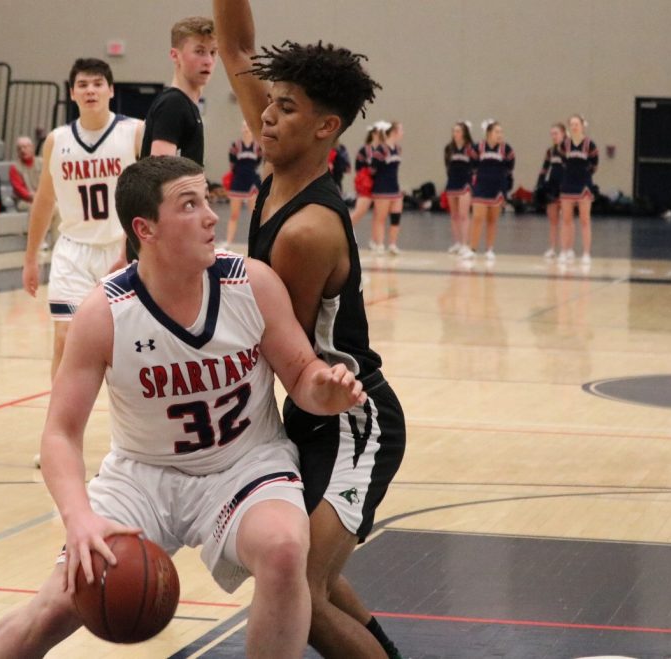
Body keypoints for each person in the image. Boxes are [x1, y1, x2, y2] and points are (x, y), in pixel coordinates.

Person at [0, 156, 368, 659]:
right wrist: (79, 520)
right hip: (141, 476)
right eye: (189, 204)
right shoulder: (106, 312)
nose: (210, 216)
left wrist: (325, 391)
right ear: (146, 228)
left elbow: (301, 374)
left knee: (285, 549)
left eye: (207, 200)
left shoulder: (251, 284)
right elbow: (60, 434)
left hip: (244, 465)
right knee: (56, 603)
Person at [215, 2, 407, 657]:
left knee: (296, 583)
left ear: (326, 127)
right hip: (311, 413)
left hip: (352, 414)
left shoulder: (307, 230)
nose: (267, 114)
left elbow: (282, 349)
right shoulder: (283, 157)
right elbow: (237, 48)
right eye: (269, 103)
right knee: (311, 579)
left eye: (286, 107)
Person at [22, 57, 143, 396]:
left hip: (121, 249)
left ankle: (131, 436)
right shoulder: (56, 140)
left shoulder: (133, 132)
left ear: (110, 90)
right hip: (73, 249)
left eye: (97, 83)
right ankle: (59, 432)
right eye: (83, 85)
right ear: (72, 93)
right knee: (64, 340)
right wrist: (31, 258)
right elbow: (45, 201)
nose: (90, 90)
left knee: (129, 347)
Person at [141, 16, 216, 163]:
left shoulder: (186, 105)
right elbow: (161, 173)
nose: (208, 61)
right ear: (175, 56)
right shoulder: (173, 103)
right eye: (199, 51)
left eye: (213, 52)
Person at [465, 120, 514, 263]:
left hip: (497, 188)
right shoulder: (477, 148)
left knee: (492, 220)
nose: (500, 135)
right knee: (477, 218)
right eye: (497, 132)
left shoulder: (507, 150)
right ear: (488, 133)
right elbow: (471, 166)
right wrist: (473, 183)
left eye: (501, 132)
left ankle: (489, 249)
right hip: (481, 187)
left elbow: (509, 168)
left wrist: (505, 189)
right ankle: (472, 249)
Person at [559, 114, 598, 265]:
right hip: (568, 184)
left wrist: (584, 175)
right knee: (566, 219)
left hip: (584, 184)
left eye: (577, 124)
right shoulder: (564, 145)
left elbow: (594, 164)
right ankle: (565, 250)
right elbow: (563, 162)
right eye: (572, 124)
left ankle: (586, 253)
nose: (574, 126)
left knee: (585, 220)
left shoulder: (590, 144)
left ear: (582, 126)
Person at [222, 120, 261, 248]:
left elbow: (258, 162)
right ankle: (228, 242)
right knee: (234, 215)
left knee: (254, 216)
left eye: (248, 127)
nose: (246, 129)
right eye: (244, 126)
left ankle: (255, 244)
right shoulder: (235, 145)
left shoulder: (257, 147)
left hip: (252, 182)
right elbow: (232, 164)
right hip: (238, 182)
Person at [369, 120, 404, 254]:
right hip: (381, 189)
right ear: (394, 132)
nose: (403, 133)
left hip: (395, 188)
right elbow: (373, 169)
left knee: (396, 217)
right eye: (401, 130)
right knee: (381, 218)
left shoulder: (398, 149)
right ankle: (379, 245)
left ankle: (392, 245)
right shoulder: (381, 149)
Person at [444, 121, 477, 257]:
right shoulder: (449, 149)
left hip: (465, 184)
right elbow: (447, 166)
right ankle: (457, 243)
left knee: (464, 215)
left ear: (464, 132)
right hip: (452, 183)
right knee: (454, 215)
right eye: (454, 131)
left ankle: (465, 244)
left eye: (458, 131)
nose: (455, 134)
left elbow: (475, 166)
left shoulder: (471, 148)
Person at [536, 122, 566, 259]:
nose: (554, 136)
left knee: (566, 219)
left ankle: (565, 250)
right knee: (553, 219)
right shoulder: (550, 151)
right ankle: (553, 248)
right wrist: (540, 183)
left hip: (566, 186)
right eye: (552, 134)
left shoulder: (569, 150)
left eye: (556, 134)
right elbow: (544, 168)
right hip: (553, 186)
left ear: (563, 134)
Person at [349, 123, 382, 230]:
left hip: (380, 184)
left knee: (379, 215)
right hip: (367, 184)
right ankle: (343, 229)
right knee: (360, 210)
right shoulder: (365, 149)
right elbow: (359, 167)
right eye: (377, 133)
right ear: (373, 134)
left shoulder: (383, 149)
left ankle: (376, 241)